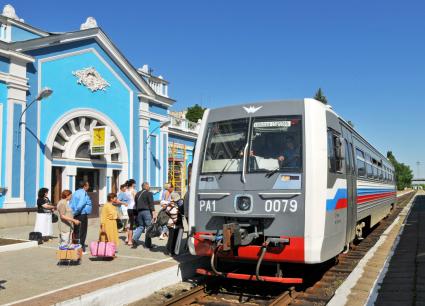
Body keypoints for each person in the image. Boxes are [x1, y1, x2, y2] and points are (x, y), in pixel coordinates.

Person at [132, 182, 156, 249]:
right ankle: (148, 245)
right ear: (145, 186)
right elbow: (151, 204)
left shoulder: (137, 194)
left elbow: (136, 204)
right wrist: (154, 213)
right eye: (148, 186)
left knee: (140, 227)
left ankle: (134, 239)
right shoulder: (149, 193)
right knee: (148, 228)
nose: (149, 187)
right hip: (147, 212)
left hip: (139, 212)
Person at [70, 181, 92, 253]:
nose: (88, 187)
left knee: (76, 230)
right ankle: (81, 248)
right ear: (84, 186)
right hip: (81, 214)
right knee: (82, 231)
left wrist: (73, 213)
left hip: (77, 214)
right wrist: (76, 212)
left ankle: (75, 246)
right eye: (88, 185)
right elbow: (81, 204)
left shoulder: (75, 192)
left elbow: (71, 204)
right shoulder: (83, 193)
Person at [165, 192, 184, 256]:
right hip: (173, 224)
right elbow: (174, 214)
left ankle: (171, 250)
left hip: (171, 223)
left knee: (173, 237)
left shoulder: (170, 204)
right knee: (172, 237)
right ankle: (171, 251)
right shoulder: (173, 205)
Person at [125, 179, 137, 246]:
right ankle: (130, 240)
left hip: (128, 208)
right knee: (132, 225)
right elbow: (136, 200)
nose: (135, 185)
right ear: (132, 184)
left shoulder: (126, 190)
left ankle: (127, 238)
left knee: (130, 223)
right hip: (133, 208)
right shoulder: (133, 191)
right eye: (135, 183)